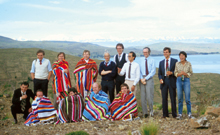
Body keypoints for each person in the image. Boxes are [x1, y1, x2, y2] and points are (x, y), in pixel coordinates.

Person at [158, 47, 178, 118]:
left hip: (172, 81)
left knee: (173, 98)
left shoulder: (175, 61)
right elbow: (159, 73)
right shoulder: (161, 62)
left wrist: (171, 73)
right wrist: (160, 79)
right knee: (164, 98)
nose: (165, 53)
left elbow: (176, 71)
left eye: (166, 52)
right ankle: (165, 114)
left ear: (169, 53)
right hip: (164, 81)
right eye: (164, 52)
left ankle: (174, 114)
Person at [174, 51, 193, 119]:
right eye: (180, 55)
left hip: (186, 80)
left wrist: (186, 74)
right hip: (179, 80)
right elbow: (175, 73)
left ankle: (189, 114)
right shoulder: (177, 64)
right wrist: (180, 74)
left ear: (185, 56)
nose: (181, 57)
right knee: (180, 98)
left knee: (187, 98)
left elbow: (191, 73)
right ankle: (180, 114)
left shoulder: (189, 63)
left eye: (183, 55)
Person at [139, 47, 156, 118]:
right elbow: (139, 70)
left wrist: (145, 78)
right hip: (142, 78)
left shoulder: (152, 60)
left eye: (146, 52)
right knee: (143, 97)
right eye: (144, 52)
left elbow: (153, 71)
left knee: (149, 96)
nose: (145, 54)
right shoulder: (140, 60)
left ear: (149, 52)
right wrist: (141, 79)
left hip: (148, 78)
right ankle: (145, 112)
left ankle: (151, 111)